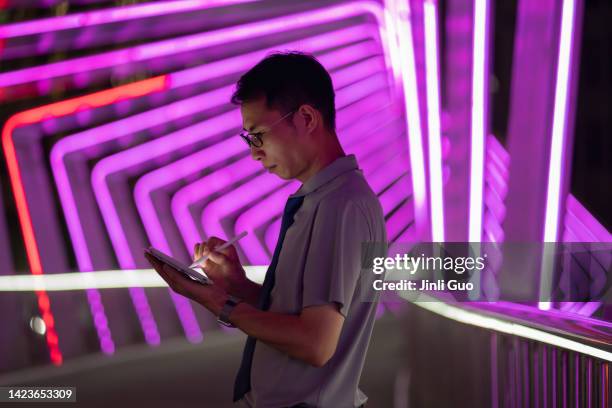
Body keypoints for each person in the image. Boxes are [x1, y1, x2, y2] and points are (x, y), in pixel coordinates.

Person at [145, 51, 388, 408]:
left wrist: (215, 301)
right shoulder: (324, 202)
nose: (254, 154)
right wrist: (236, 286)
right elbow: (301, 318)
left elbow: (315, 343)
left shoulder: (341, 206)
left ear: (305, 118)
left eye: (258, 135)